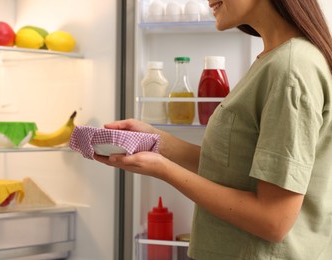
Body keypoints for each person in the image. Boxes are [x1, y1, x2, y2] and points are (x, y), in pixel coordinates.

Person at [95, 0, 332, 259]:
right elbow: (232, 169)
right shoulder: (276, 58)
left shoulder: (290, 67)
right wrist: (155, 142)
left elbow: (273, 220)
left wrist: (163, 170)